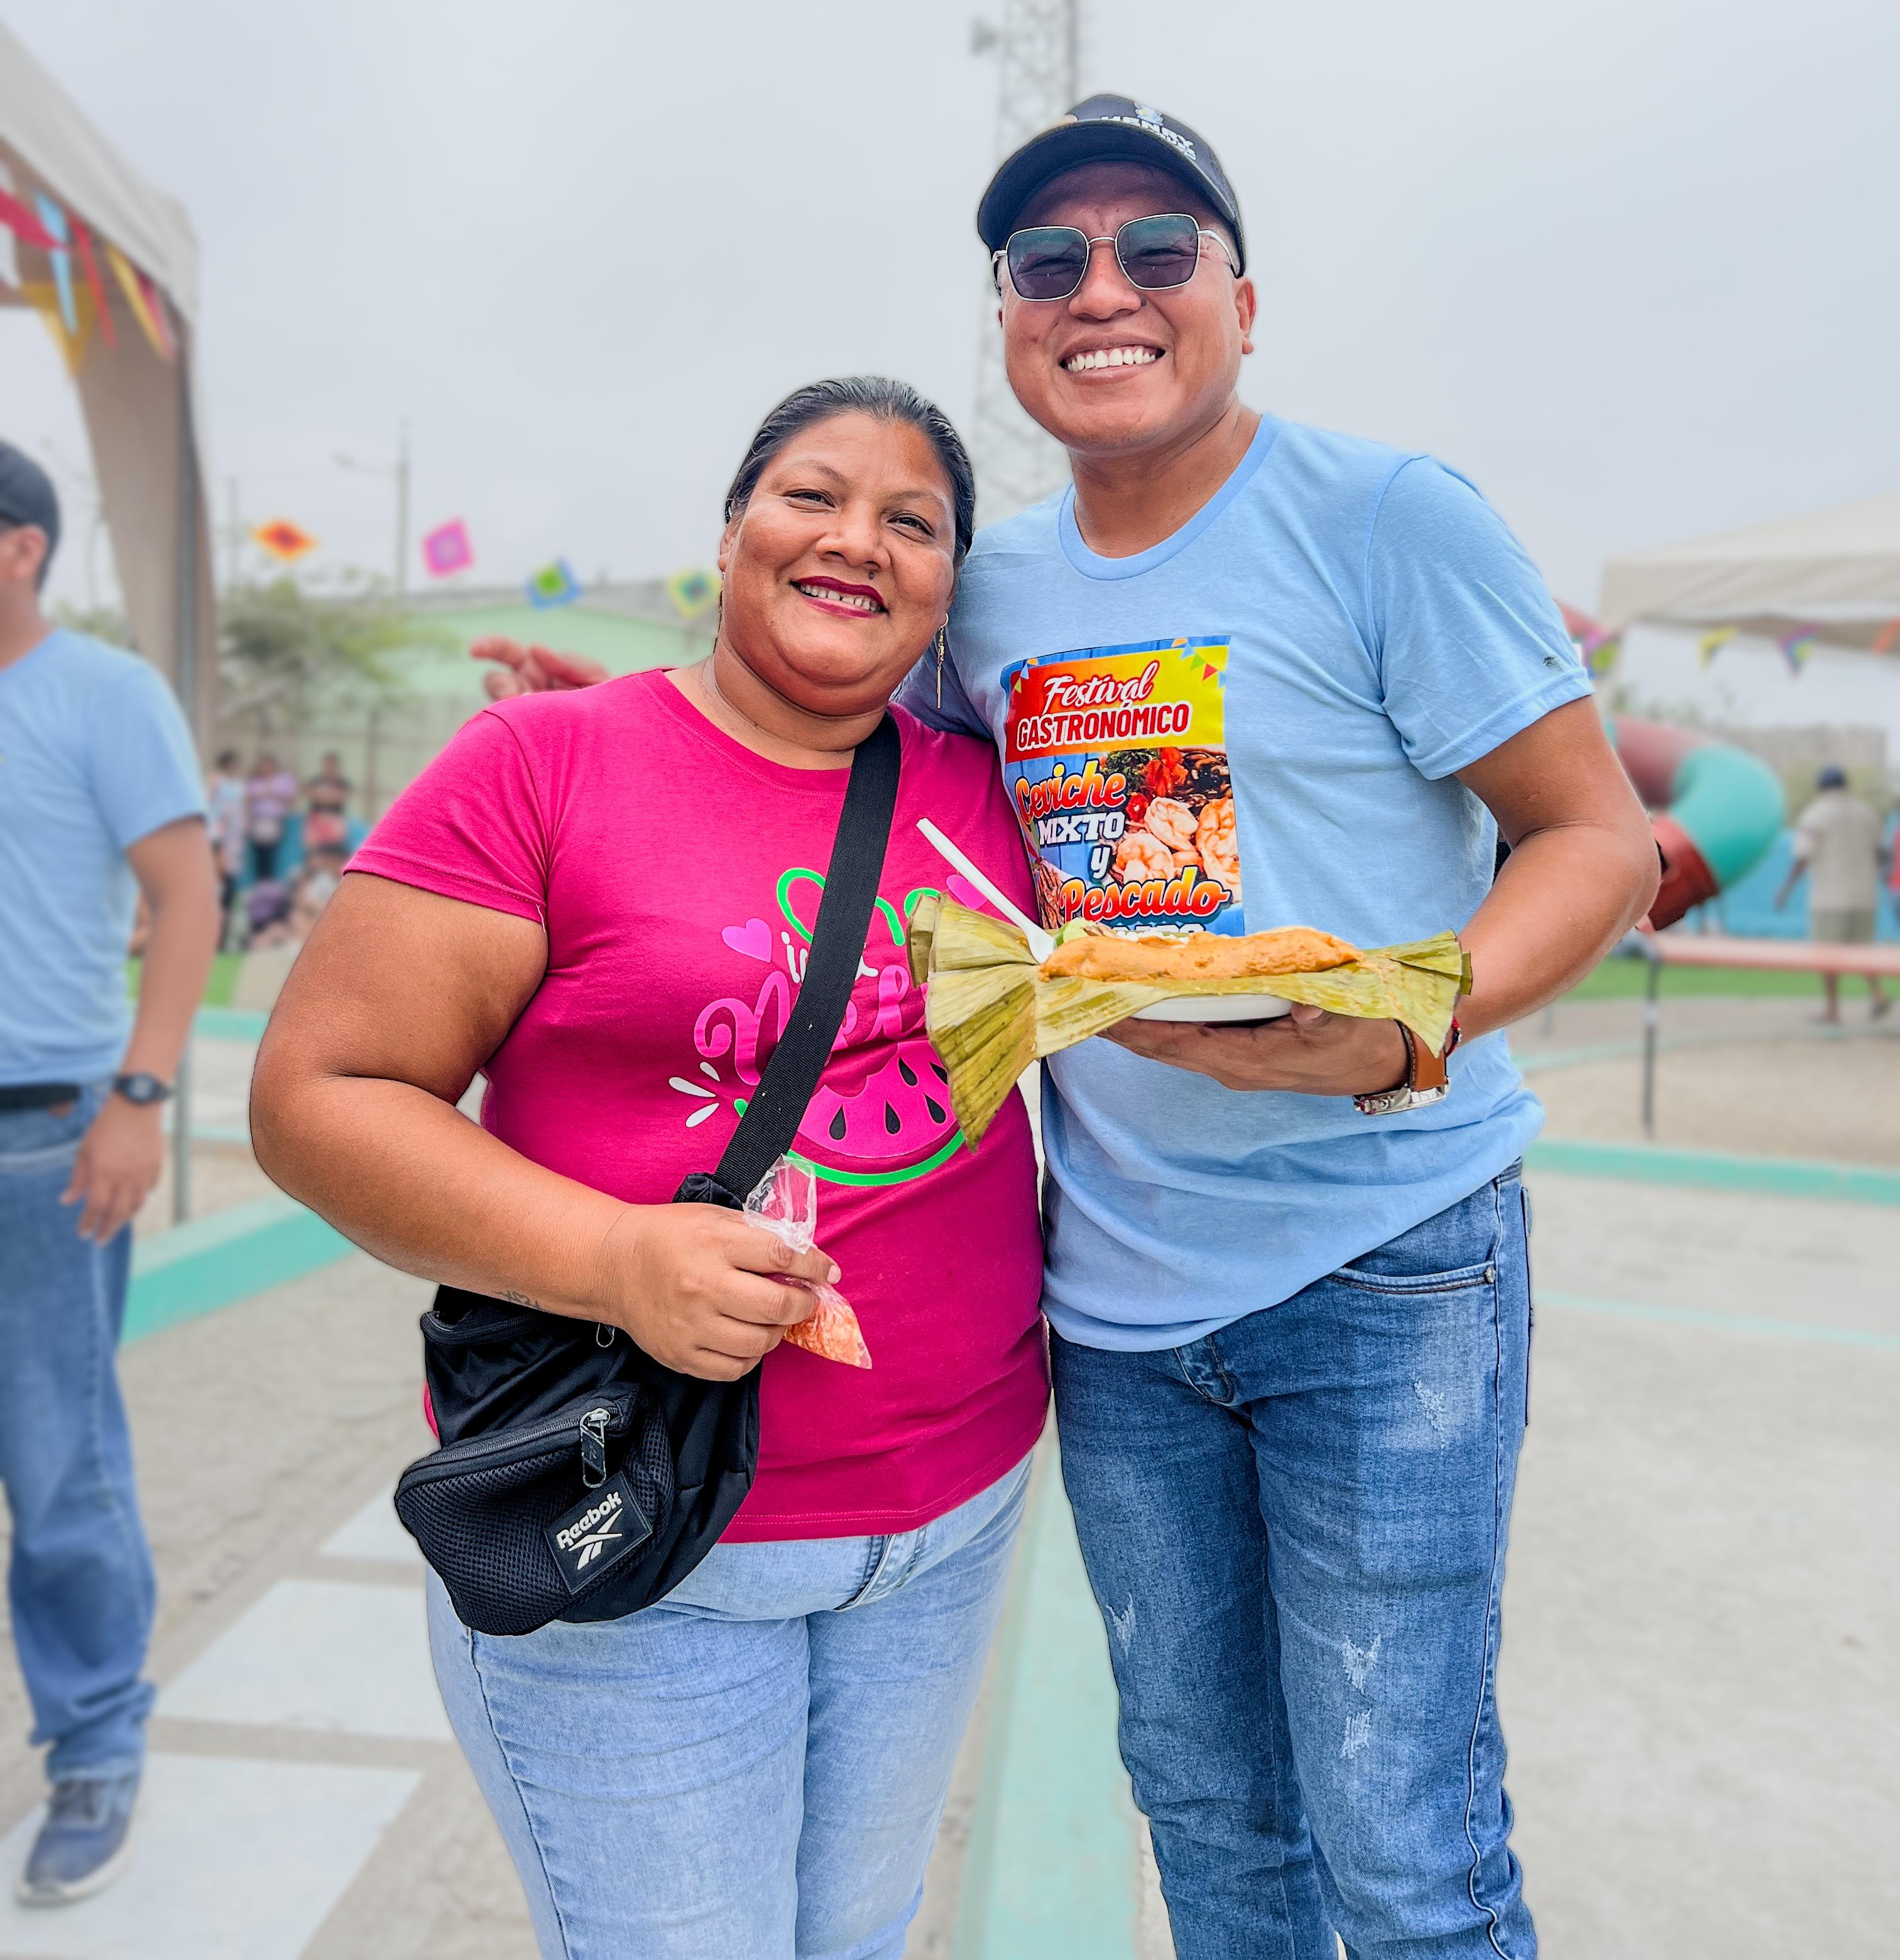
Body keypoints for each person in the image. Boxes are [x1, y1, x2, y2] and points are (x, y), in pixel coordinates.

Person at [475, 98, 1660, 1959]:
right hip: (1112, 1298)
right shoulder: (998, 586)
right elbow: (852, 737)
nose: (1102, 290)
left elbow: (1594, 837)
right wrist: (639, 720)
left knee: (1402, 1846)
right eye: (1051, 261)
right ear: (1013, 318)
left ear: (1240, 302)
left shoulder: (1388, 518)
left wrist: (1411, 1022)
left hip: (1390, 1262)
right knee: (1204, 1812)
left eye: (1156, 250)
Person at [251, 379, 1048, 1960]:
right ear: (733, 531)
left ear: (952, 588)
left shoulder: (994, 792)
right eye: (812, 495)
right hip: (644, 1530)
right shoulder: (543, 763)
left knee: (860, 1939)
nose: (858, 540)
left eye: (912, 521)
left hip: (948, 1526)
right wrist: (618, 1262)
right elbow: (319, 1098)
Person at [0, 442, 221, 1907]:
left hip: (46, 1132)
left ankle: (94, 1744)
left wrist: (140, 1096)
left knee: (57, 1460)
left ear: (21, 547)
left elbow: (187, 895)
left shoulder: (102, 695)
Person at [1775, 764, 1890, 1022]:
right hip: (1865, 896)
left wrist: (1785, 889)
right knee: (1864, 951)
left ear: (1820, 787)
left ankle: (1833, 1010)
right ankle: (1878, 995)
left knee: (1827, 955)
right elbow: (1881, 854)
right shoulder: (1867, 813)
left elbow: (1803, 857)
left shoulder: (1816, 814)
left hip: (1830, 897)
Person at [207, 748, 247, 940]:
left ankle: (222, 935)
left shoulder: (239, 784)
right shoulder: (216, 780)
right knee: (217, 884)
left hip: (234, 840)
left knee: (229, 888)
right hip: (219, 836)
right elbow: (209, 804)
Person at [243, 750, 298, 884]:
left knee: (272, 854)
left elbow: (290, 797)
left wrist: (271, 793)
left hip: (275, 821)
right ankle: (261, 881)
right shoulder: (254, 781)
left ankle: (268, 882)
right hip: (257, 821)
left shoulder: (282, 780)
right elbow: (247, 798)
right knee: (259, 855)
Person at [301, 750, 352, 853]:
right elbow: (309, 793)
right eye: (327, 765)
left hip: (335, 817)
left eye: (332, 765)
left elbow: (340, 797)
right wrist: (329, 796)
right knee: (314, 849)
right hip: (316, 818)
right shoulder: (316, 781)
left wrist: (322, 796)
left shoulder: (342, 782)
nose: (329, 768)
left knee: (335, 848)